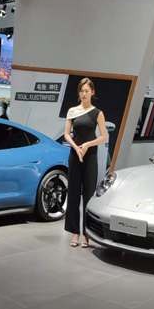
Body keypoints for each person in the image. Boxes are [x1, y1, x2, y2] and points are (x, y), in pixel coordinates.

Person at [60, 78, 109, 249]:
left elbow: (104, 137)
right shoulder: (72, 111)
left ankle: (86, 234)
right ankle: (74, 232)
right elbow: (67, 134)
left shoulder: (98, 113)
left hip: (90, 156)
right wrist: (76, 147)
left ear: (92, 92)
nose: (84, 94)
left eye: (87, 91)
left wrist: (87, 145)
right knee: (73, 194)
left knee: (88, 195)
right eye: (81, 91)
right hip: (75, 155)